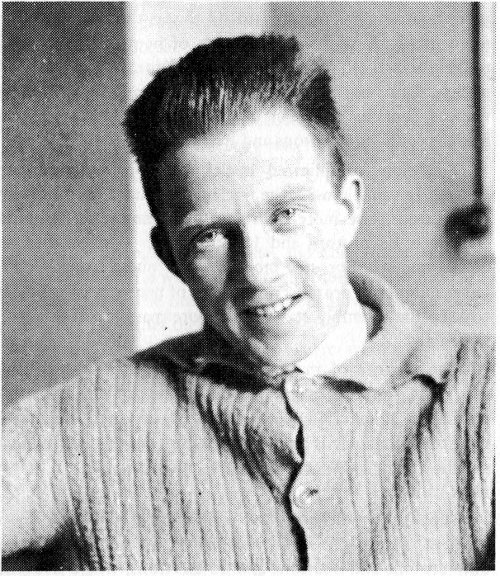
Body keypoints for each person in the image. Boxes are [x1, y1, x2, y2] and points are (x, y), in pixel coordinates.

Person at [3, 34, 494, 570]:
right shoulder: (80, 426)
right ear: (170, 256)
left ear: (346, 209)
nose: (256, 271)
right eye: (210, 236)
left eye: (285, 215)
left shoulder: (483, 394)